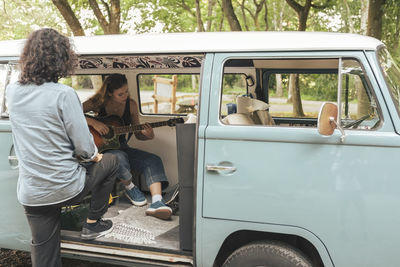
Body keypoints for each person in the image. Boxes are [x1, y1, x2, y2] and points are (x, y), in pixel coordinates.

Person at [6, 28, 119, 267]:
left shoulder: (12, 91)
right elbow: (85, 149)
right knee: (112, 161)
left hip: (33, 192)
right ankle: (93, 223)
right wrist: (93, 156)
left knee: (44, 251)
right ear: (62, 59)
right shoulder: (64, 94)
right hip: (66, 188)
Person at [83, 74, 172, 220]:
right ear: (110, 93)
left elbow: (138, 134)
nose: (125, 96)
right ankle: (130, 188)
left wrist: (148, 135)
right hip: (102, 150)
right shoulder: (97, 102)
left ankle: (157, 202)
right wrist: (94, 123)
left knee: (153, 160)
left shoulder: (131, 105)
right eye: (120, 94)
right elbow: (72, 113)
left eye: (126, 92)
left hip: (122, 145)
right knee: (119, 157)